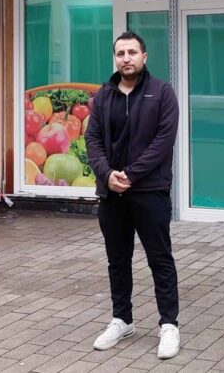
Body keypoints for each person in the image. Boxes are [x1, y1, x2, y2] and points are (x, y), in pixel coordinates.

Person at [85, 31, 181, 360]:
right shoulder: (103, 96)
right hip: (112, 195)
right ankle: (122, 319)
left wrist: (133, 173)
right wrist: (108, 174)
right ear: (115, 58)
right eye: (120, 53)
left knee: (160, 259)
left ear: (145, 56)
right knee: (117, 260)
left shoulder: (162, 93)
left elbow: (163, 140)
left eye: (132, 52)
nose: (126, 58)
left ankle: (169, 325)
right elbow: (92, 140)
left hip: (150, 191)